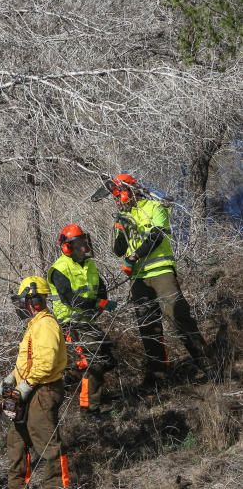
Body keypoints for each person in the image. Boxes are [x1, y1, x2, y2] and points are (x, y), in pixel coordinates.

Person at [109, 173, 212, 387]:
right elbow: (118, 250)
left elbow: (157, 236)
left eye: (118, 194)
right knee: (147, 325)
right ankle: (158, 376)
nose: (117, 200)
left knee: (178, 315)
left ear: (129, 191)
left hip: (161, 272)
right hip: (139, 279)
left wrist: (135, 256)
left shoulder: (155, 208)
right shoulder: (124, 217)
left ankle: (208, 365)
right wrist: (120, 228)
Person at [1, 276, 69, 489]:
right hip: (28, 388)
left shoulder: (46, 325)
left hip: (43, 390)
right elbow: (29, 360)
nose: (22, 306)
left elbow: (46, 363)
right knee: (16, 440)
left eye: (24, 301)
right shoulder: (35, 325)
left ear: (35, 300)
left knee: (47, 441)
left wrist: (26, 386)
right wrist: (12, 378)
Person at [47, 224, 117, 420]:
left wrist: (103, 302)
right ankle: (89, 409)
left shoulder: (89, 265)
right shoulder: (59, 269)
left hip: (87, 321)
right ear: (67, 246)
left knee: (109, 358)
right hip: (70, 323)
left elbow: (100, 287)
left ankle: (70, 378)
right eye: (79, 243)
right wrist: (97, 303)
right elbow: (72, 300)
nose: (84, 246)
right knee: (93, 361)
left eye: (84, 241)